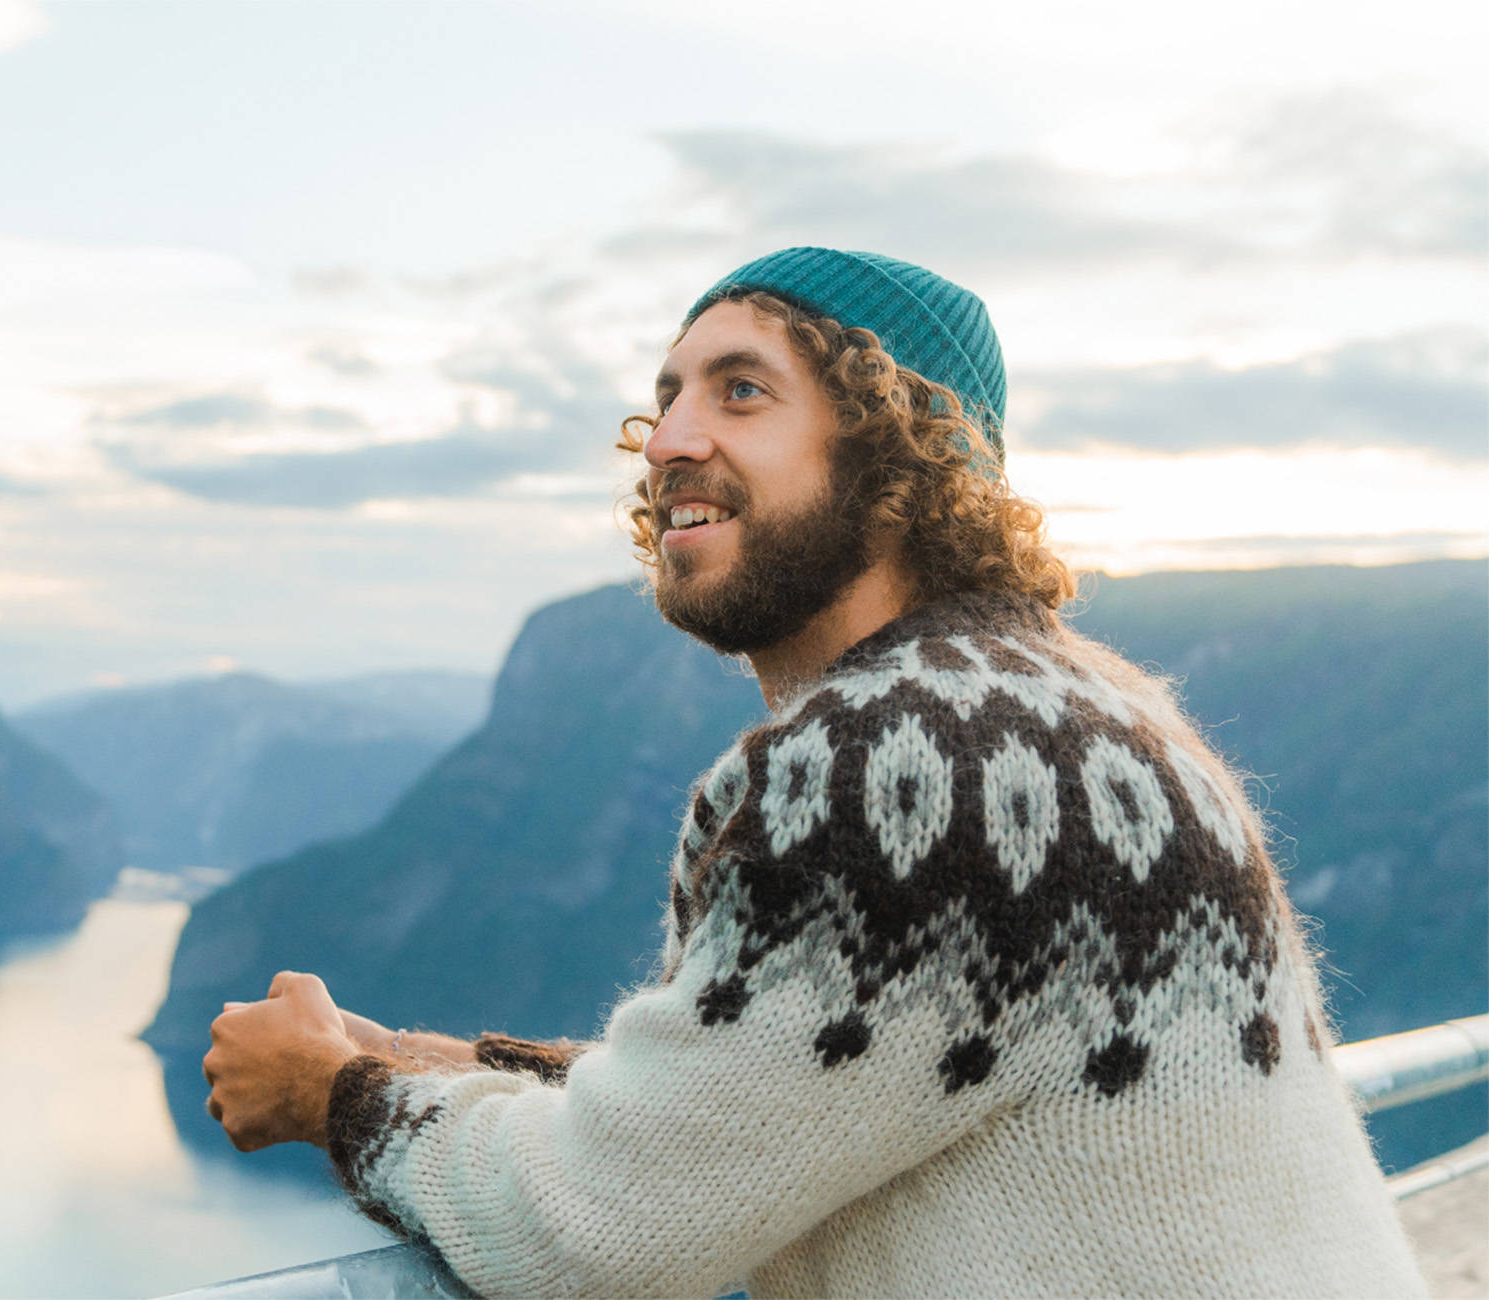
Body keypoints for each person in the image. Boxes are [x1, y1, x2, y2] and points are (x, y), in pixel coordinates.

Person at [199, 248, 1427, 1298]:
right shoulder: (1087, 712)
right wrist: (422, 1060)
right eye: (667, 395)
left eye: (742, 392)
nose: (669, 438)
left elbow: (598, 1229)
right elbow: (807, 1079)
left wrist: (335, 1094)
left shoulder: (896, 760)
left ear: (904, 457)